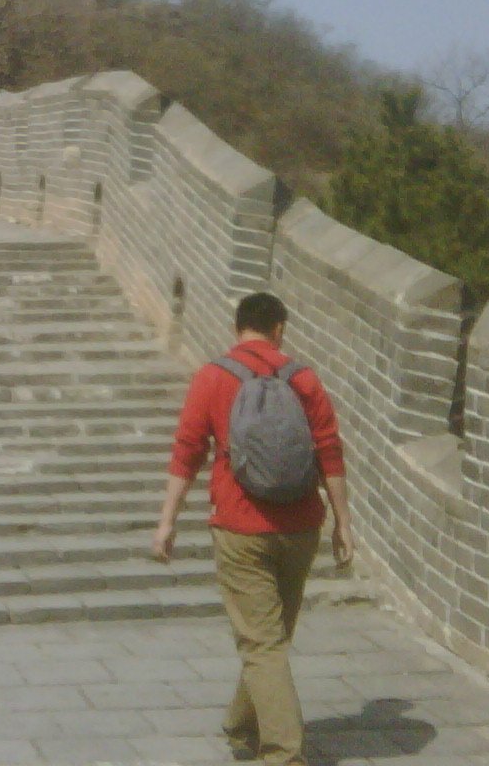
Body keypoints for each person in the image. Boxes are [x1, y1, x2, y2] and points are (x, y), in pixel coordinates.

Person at [151, 292, 353, 766]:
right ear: (280, 329)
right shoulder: (303, 378)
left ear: (237, 327)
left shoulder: (213, 376)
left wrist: (167, 522)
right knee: (272, 635)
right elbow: (329, 451)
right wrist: (343, 521)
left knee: (262, 641)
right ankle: (243, 722)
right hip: (301, 525)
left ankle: (283, 755)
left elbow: (187, 449)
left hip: (241, 526)